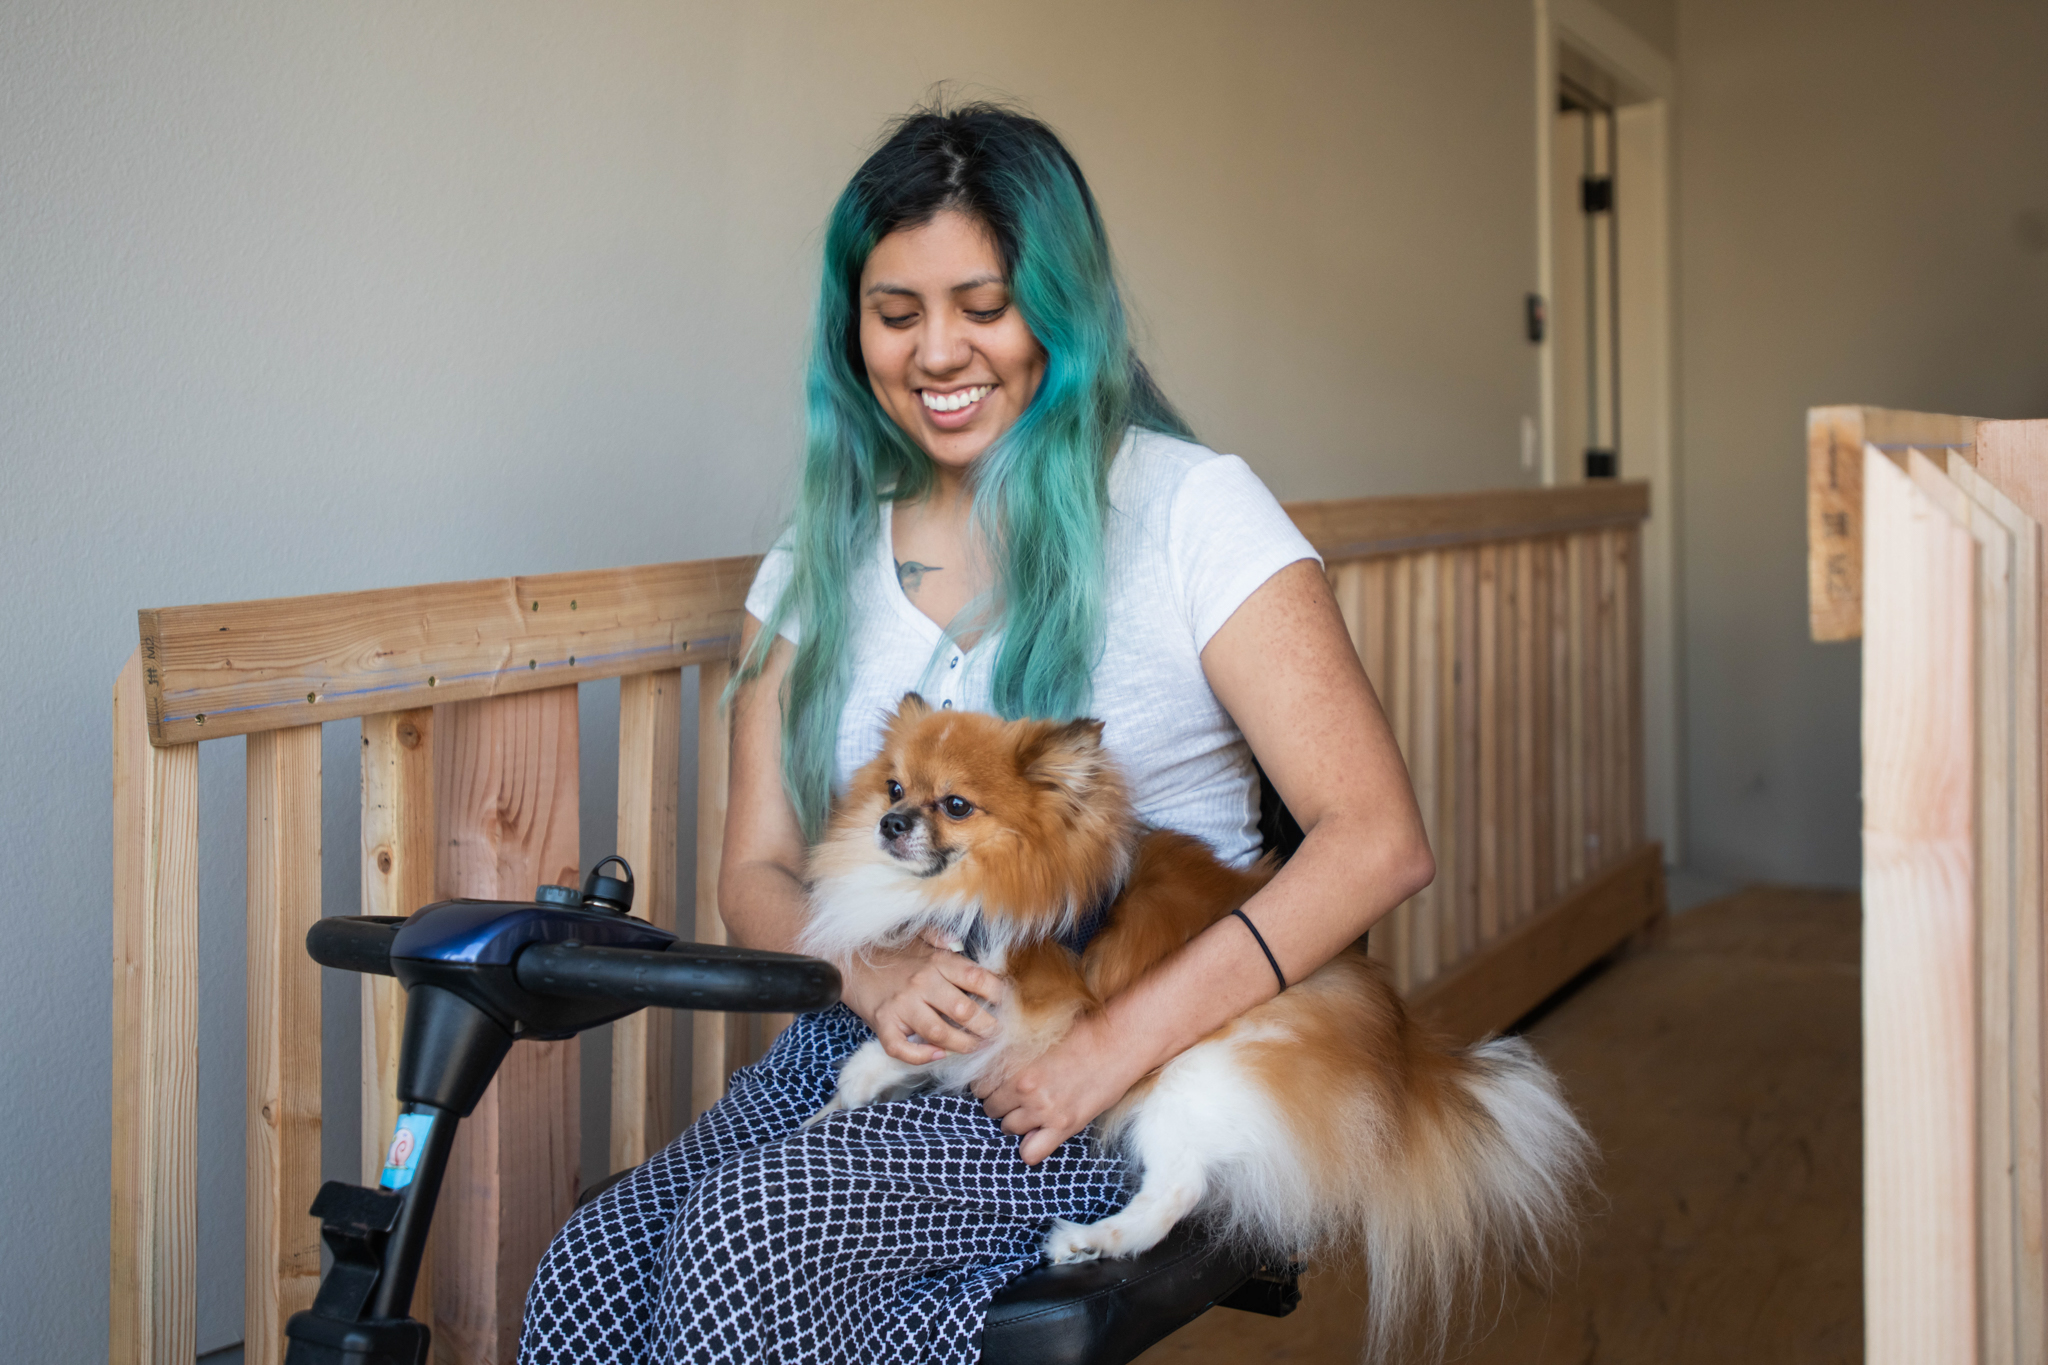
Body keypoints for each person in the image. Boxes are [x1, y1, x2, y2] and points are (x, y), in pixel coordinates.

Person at [518, 102, 1433, 1365]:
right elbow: (754, 875)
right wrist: (868, 975)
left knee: (752, 1242)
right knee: (588, 1274)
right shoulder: (813, 560)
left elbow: (1374, 842)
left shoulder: (1190, 512)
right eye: (896, 314)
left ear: (1058, 307)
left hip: (1112, 1050)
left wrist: (1106, 1050)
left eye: (982, 304)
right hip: (867, 1036)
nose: (937, 351)